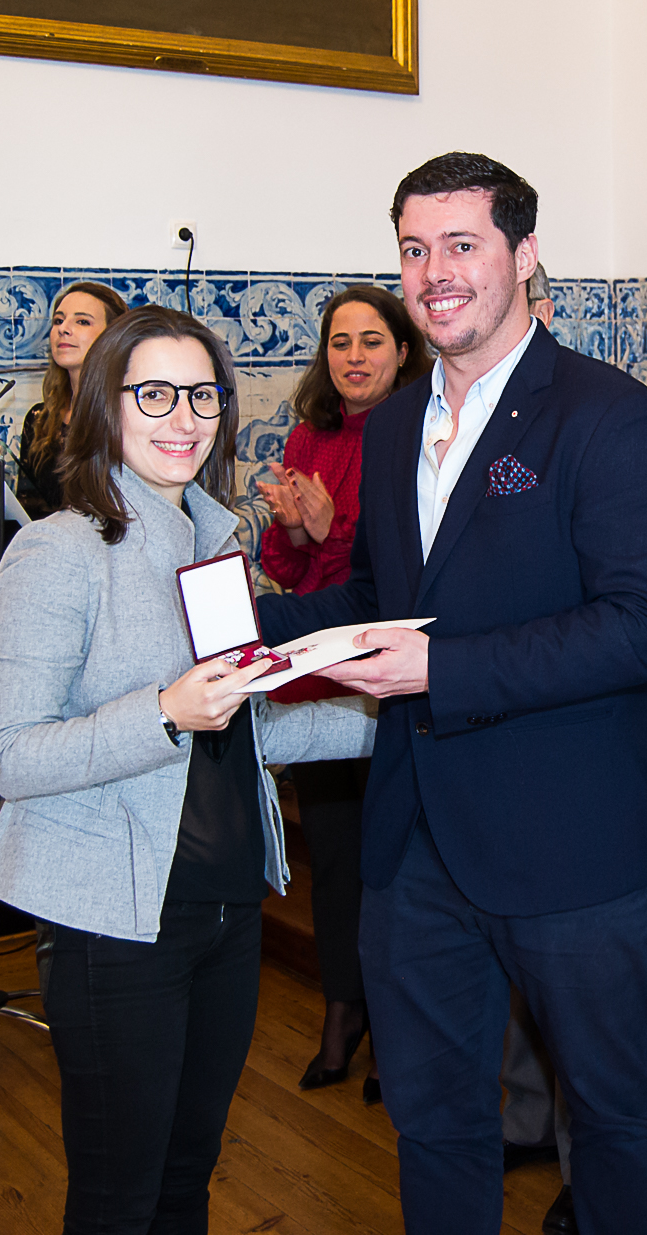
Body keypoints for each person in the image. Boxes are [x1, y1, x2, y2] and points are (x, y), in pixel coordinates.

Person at [255, 152, 647, 1235]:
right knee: (435, 1118)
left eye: (462, 244)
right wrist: (246, 627)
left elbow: (646, 626)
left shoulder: (610, 414)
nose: (434, 272)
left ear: (525, 254)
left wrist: (440, 670)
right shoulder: (395, 421)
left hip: (572, 840)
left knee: (611, 1111)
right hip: (416, 840)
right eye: (414, 249)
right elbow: (381, 596)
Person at [0, 306, 378, 1235]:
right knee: (120, 1199)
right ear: (103, 404)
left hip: (228, 906)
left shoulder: (215, 541)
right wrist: (161, 711)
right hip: (119, 923)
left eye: (203, 395)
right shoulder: (58, 550)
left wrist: (399, 717)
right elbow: (12, 755)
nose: (183, 417)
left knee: (189, 1178)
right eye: (153, 393)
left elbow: (247, 727)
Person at [253, 284, 429, 1102]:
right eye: (339, 342)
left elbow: (392, 576)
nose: (354, 357)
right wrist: (296, 532)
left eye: (371, 341)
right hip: (318, 673)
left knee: (392, 859)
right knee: (331, 857)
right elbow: (292, 570)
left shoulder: (416, 430)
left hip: (388, 672)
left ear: (403, 351)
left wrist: (327, 535)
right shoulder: (310, 435)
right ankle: (342, 1011)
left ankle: (394, 1028)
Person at [498, 254, 577, 1235]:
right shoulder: (429, 418)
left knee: (575, 1008)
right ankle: (521, 1121)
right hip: (473, 756)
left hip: (560, 752)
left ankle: (580, 1174)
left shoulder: (595, 415)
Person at [16, 280, 127, 518]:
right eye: (58, 320)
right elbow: (28, 512)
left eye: (82, 321)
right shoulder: (39, 420)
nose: (63, 329)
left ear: (113, 337)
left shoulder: (131, 416)